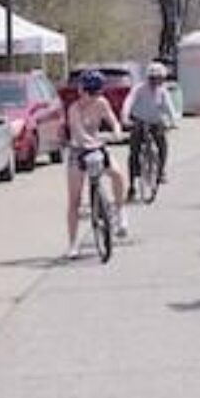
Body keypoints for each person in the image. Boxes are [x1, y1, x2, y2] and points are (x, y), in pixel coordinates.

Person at [64, 69, 129, 259]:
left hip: (98, 147)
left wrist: (116, 131)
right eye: (89, 93)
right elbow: (77, 131)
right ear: (82, 91)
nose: (92, 97)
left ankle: (120, 210)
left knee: (117, 174)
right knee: (74, 200)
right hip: (79, 151)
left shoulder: (101, 103)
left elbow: (113, 120)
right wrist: (89, 142)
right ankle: (73, 243)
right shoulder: (74, 108)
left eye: (96, 93)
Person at [121, 61, 180, 190]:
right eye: (153, 79)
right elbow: (128, 102)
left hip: (155, 123)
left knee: (162, 144)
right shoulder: (139, 89)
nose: (155, 82)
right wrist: (125, 117)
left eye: (159, 79)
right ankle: (132, 184)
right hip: (139, 121)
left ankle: (160, 171)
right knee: (134, 150)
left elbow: (169, 108)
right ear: (148, 78)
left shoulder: (162, 91)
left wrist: (173, 122)